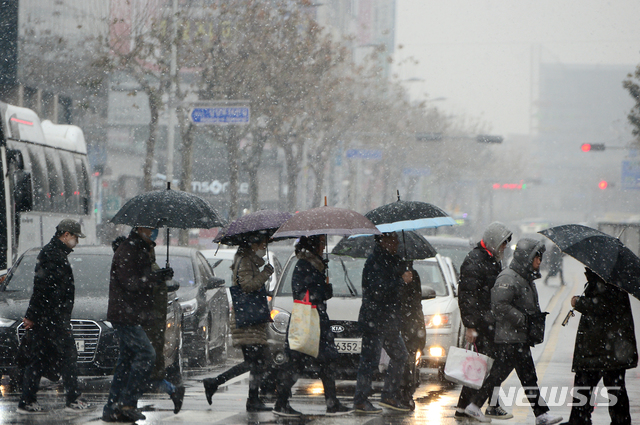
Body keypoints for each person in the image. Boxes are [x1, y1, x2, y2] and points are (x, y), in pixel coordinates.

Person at [465, 238, 563, 425]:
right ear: (527, 257)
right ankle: (540, 414)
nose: (539, 261)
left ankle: (476, 405)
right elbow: (499, 305)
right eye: (537, 257)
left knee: (509, 376)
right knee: (523, 377)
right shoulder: (508, 277)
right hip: (511, 338)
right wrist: (523, 320)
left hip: (518, 337)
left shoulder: (524, 277)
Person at [273, 235, 353, 417]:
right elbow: (301, 293)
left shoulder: (315, 264)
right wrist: (322, 292)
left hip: (316, 320)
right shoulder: (304, 265)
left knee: (326, 363)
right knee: (298, 364)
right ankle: (281, 402)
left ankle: (331, 403)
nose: (324, 246)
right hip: (308, 320)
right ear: (313, 244)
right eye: (322, 243)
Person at [18, 219, 91, 414]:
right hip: (52, 318)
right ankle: (72, 398)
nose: (76, 242)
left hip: (50, 317)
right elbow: (42, 289)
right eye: (75, 237)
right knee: (68, 357)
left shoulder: (54, 253)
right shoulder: (53, 255)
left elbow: (45, 289)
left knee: (39, 359)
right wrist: (32, 316)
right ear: (66, 234)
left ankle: (27, 400)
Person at [102, 227, 174, 422]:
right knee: (146, 354)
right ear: (140, 229)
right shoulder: (128, 250)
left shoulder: (140, 249)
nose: (154, 232)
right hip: (125, 314)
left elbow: (140, 280)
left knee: (126, 360)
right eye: (150, 229)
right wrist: (155, 277)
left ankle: (112, 407)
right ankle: (127, 403)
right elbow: (131, 283)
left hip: (131, 314)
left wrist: (160, 276)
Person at [203, 234, 274, 412]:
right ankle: (220, 384)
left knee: (258, 361)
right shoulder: (244, 261)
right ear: (253, 244)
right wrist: (266, 273)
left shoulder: (248, 260)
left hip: (250, 319)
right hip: (247, 320)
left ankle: (252, 398)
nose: (264, 247)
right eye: (262, 243)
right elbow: (247, 286)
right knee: (257, 361)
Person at [559, 268, 637, 425]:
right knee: (614, 387)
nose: (585, 270)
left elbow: (601, 306)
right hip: (609, 347)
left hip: (601, 347)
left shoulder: (606, 280)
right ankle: (617, 421)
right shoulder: (610, 278)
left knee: (587, 384)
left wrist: (578, 302)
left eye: (587, 269)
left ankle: (580, 420)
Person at [455, 222, 513, 420]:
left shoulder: (492, 259)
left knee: (483, 366)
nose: (505, 248)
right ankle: (485, 405)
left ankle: (466, 406)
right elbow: (466, 295)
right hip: (481, 323)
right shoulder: (475, 260)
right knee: (485, 366)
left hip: (490, 322)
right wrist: (470, 325)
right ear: (494, 242)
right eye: (503, 243)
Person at [352, 232, 411, 413]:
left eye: (397, 240)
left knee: (400, 355)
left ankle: (389, 395)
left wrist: (404, 270)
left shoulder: (393, 260)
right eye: (393, 239)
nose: (397, 243)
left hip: (389, 321)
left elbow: (391, 289)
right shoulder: (374, 262)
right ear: (383, 241)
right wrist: (400, 280)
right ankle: (361, 400)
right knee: (370, 361)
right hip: (375, 320)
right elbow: (378, 290)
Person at [398, 261, 426, 411]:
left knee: (410, 358)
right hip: (398, 324)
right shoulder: (393, 275)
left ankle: (407, 392)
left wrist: (420, 327)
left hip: (412, 325)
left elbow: (417, 303)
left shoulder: (414, 276)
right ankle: (401, 392)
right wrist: (401, 282)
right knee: (402, 358)